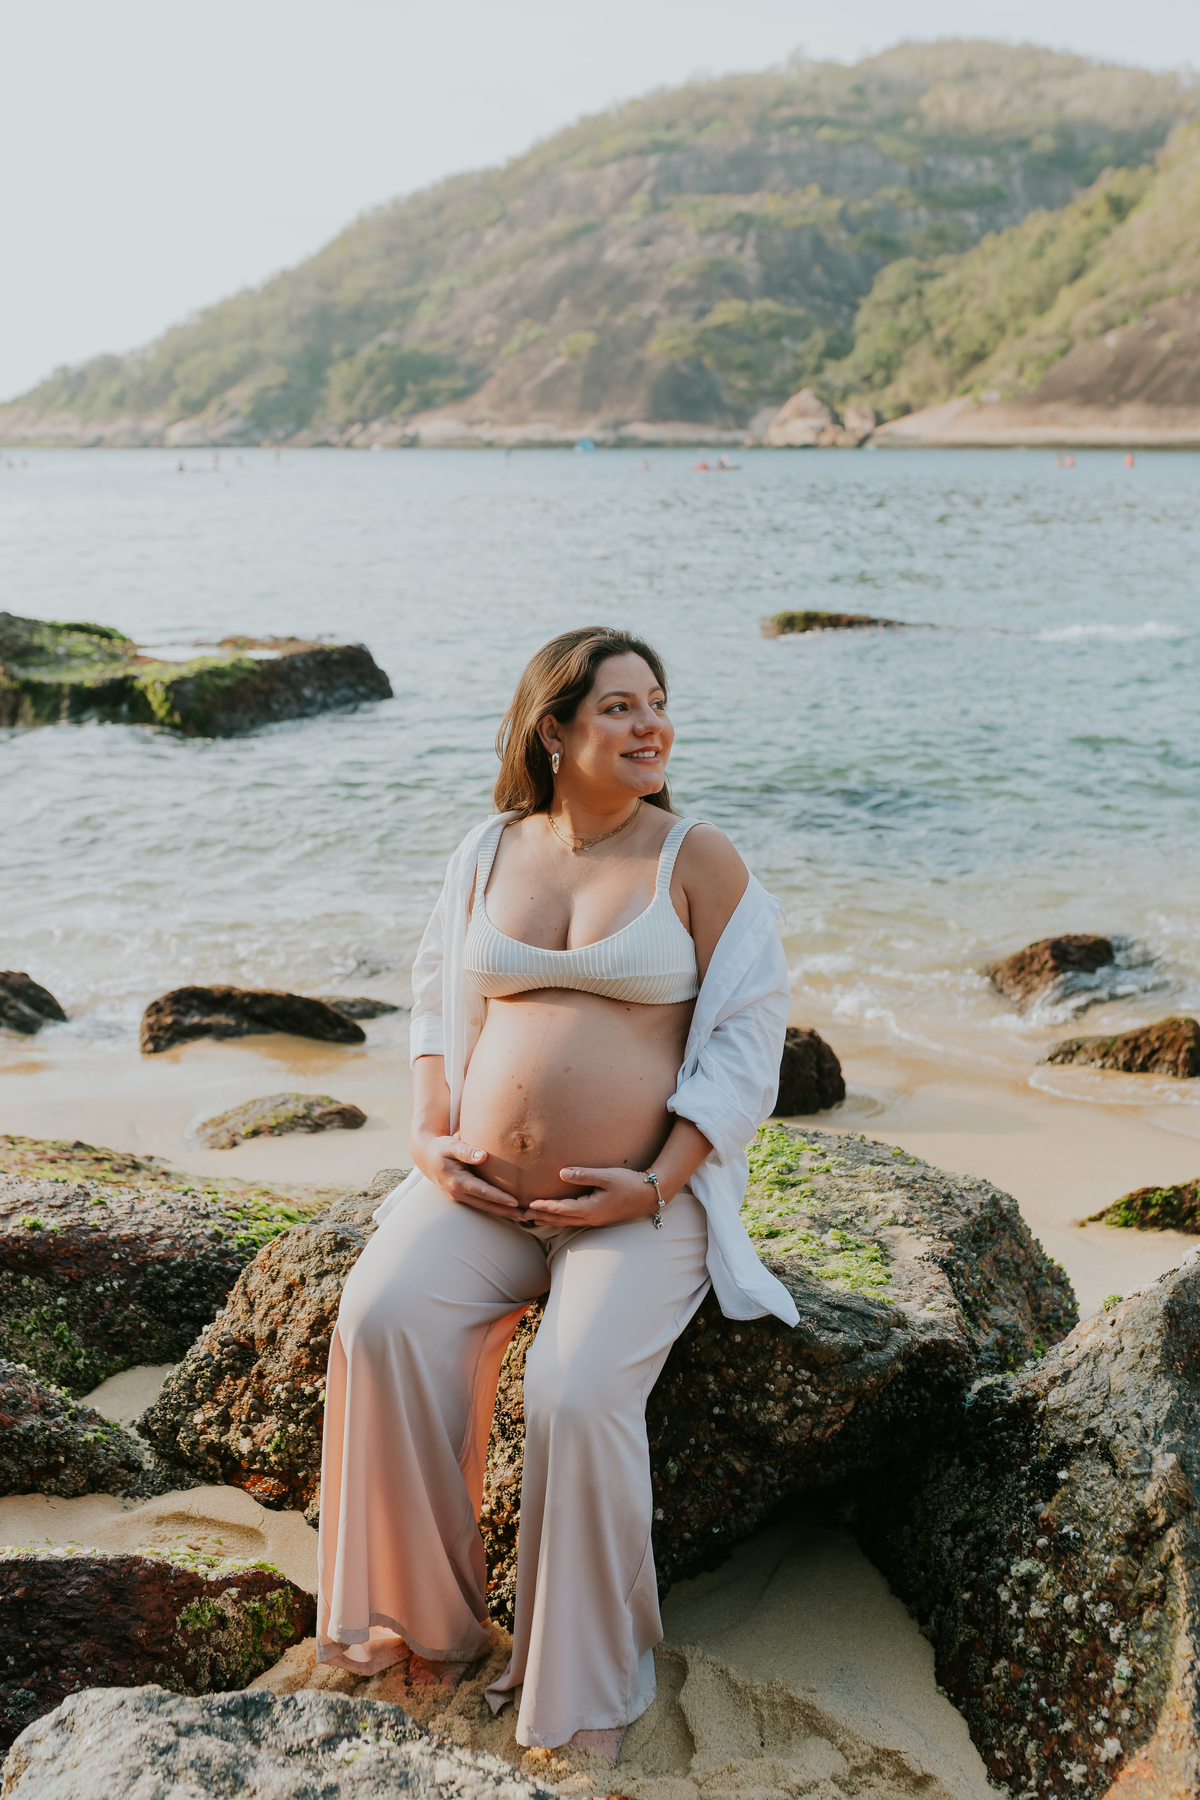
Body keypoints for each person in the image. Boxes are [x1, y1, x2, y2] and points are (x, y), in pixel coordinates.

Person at [317, 625, 797, 1761]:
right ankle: (423, 1621)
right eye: (621, 707)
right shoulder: (488, 850)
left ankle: (581, 1682)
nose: (651, 726)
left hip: (642, 1205)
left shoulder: (697, 858)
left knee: (575, 1390)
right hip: (479, 1196)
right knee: (379, 1317)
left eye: (658, 704)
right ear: (555, 728)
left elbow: (748, 1034)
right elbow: (437, 997)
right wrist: (432, 1141)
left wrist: (657, 1180)